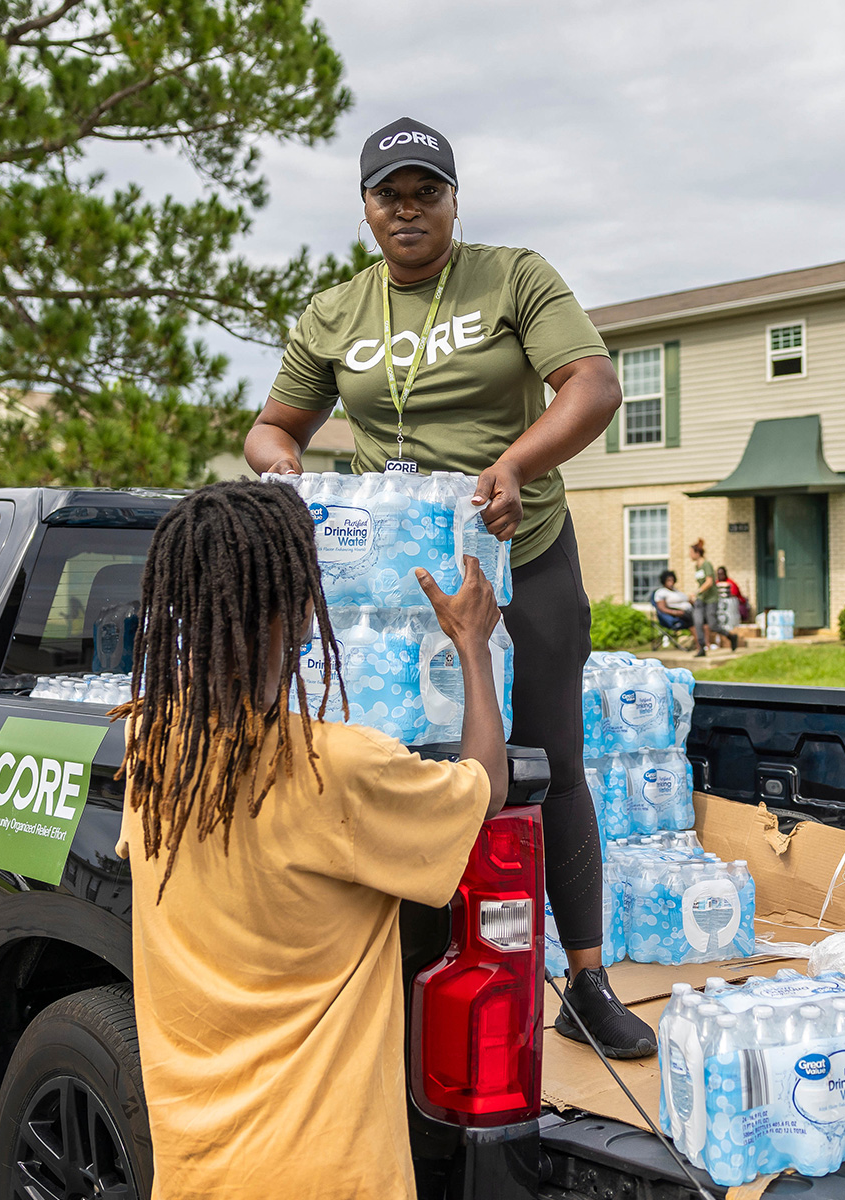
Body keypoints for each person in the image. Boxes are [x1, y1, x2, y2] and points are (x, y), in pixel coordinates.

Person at [245, 116, 656, 1059]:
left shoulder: (512, 276)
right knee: (403, 763)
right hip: (400, 585)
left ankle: (585, 983)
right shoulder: (336, 312)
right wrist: (287, 479)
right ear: (366, 208)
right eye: (391, 193)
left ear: (453, 200)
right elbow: (275, 427)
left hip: (525, 553)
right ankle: (395, 969)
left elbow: (591, 385)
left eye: (427, 191)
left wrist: (514, 464)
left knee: (547, 761)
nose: (409, 208)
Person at [115, 481, 508, 1200]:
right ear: (299, 611)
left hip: (195, 1170)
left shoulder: (152, 743)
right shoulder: (338, 766)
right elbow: (484, 790)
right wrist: (473, 649)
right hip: (329, 1173)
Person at [689, 539, 737, 656]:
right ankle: (701, 648)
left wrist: (697, 592)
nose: (689, 555)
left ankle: (731, 636)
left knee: (712, 625)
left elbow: (709, 582)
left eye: (691, 552)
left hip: (711, 599)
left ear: (697, 553)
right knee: (698, 621)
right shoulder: (697, 566)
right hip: (701, 599)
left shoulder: (707, 564)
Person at [716, 564, 749, 629]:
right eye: (719, 574)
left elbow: (733, 595)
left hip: (732, 607)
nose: (720, 576)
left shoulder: (730, 583)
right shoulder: (716, 583)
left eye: (722, 574)